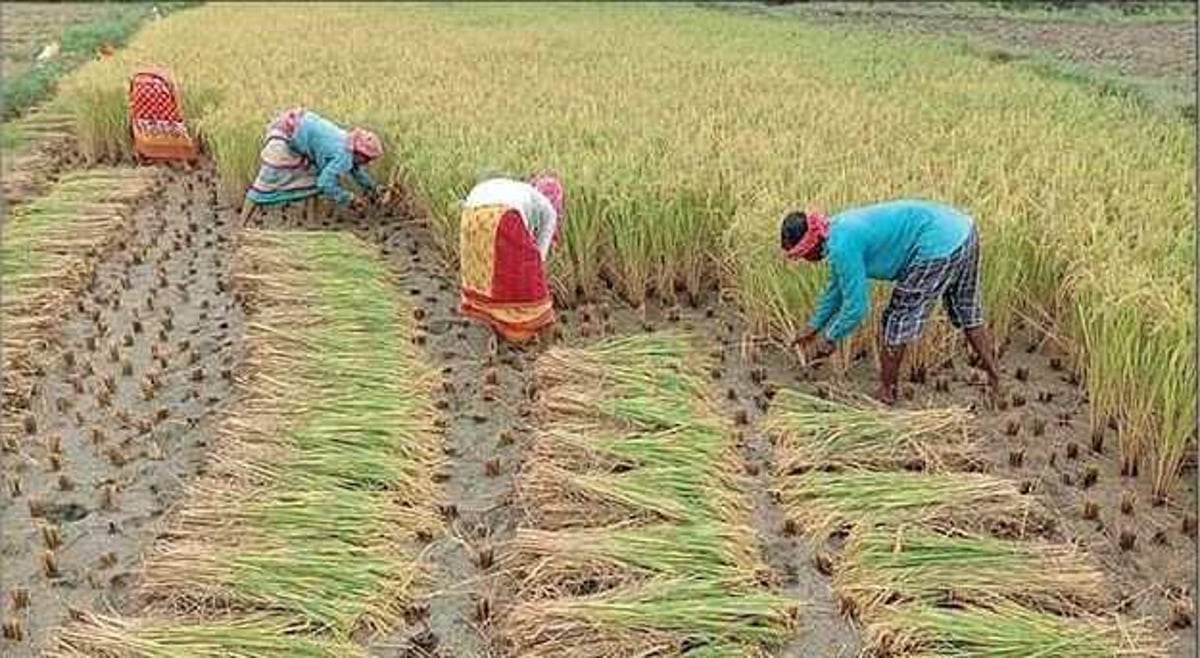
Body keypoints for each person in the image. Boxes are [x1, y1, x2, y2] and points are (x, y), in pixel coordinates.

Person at [781, 199, 1000, 404]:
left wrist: (830, 337)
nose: (806, 261)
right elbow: (836, 289)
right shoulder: (836, 229)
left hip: (935, 244)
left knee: (897, 318)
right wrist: (813, 326)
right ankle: (995, 378)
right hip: (963, 230)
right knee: (968, 309)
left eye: (802, 255)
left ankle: (888, 392)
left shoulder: (841, 245)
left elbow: (857, 307)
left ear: (810, 244)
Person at [458, 174, 563, 344]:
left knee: (486, 276)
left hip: (470, 215)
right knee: (529, 287)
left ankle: (493, 328)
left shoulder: (522, 192)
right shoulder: (548, 209)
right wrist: (539, 280)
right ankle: (546, 344)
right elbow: (539, 256)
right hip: (502, 215)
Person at [241, 107, 382, 222]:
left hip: (295, 129)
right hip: (284, 136)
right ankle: (241, 227)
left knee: (312, 183)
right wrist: (348, 198)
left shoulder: (348, 144)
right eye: (367, 159)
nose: (367, 163)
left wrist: (373, 189)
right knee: (263, 186)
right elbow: (325, 183)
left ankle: (312, 225)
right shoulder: (344, 155)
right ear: (359, 154)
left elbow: (356, 172)